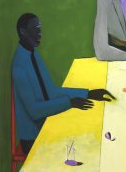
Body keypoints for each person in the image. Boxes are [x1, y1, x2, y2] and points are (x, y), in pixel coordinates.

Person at [12, 13, 115, 154]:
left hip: (47, 125)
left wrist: (88, 93)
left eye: (40, 28)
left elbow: (51, 91)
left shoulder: (33, 54)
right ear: (23, 31)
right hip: (33, 138)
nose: (40, 32)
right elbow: (35, 111)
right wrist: (70, 103)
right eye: (35, 28)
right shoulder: (19, 67)